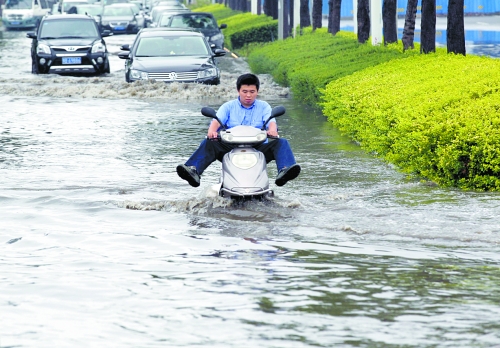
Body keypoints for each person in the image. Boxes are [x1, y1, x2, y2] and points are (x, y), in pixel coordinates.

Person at [176, 73, 301, 188]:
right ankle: (193, 170)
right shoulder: (228, 106)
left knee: (282, 142)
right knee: (209, 142)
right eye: (244, 91)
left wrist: (272, 131)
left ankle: (285, 170)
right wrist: (212, 132)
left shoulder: (264, 107)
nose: (248, 95)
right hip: (229, 147)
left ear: (257, 91)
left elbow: (271, 122)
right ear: (238, 91)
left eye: (252, 91)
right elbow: (216, 122)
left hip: (258, 148)